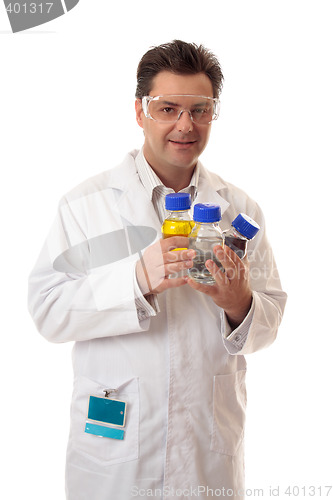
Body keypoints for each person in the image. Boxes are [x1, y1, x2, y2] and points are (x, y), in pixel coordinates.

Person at [28, 40, 287, 500]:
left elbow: (270, 322)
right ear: (140, 111)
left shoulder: (240, 211)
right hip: (114, 453)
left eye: (200, 110)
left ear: (212, 113)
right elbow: (47, 310)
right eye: (168, 108)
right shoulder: (87, 205)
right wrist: (136, 280)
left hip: (207, 453)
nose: (185, 125)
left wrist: (239, 305)